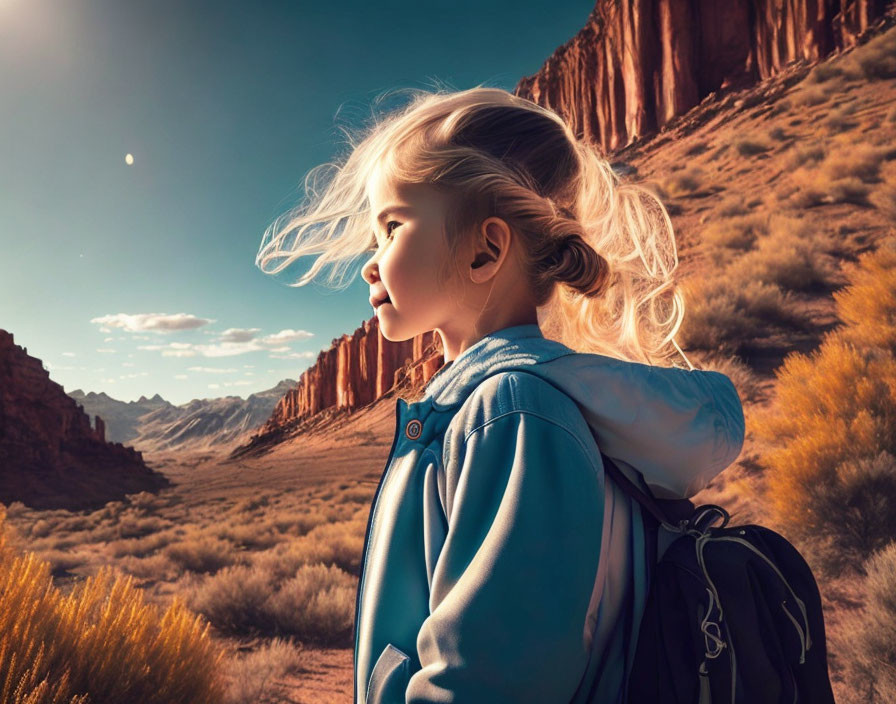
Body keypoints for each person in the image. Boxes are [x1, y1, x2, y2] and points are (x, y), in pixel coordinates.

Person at [256, 85, 746, 704]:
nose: (370, 262)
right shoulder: (485, 405)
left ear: (486, 250)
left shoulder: (509, 412)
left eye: (392, 227)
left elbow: (490, 683)